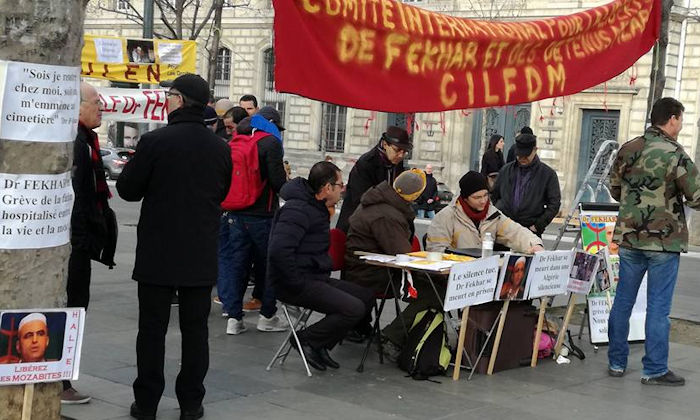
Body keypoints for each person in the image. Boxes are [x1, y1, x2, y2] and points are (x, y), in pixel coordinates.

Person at [116, 73, 232, 420]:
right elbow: (222, 193)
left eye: (169, 96)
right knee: (196, 332)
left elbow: (127, 189)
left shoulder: (156, 142)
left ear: (179, 100)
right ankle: (191, 403)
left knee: (151, 329)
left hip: (158, 251)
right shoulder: (220, 148)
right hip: (199, 252)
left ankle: (147, 402)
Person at [382, 171, 543, 353]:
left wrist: (535, 245)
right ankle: (395, 337)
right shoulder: (445, 217)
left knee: (515, 289)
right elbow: (436, 252)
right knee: (437, 296)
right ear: (465, 198)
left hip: (483, 276)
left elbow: (516, 232)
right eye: (477, 197)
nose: (483, 201)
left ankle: (497, 343)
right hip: (452, 277)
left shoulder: (493, 214)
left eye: (485, 195)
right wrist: (459, 265)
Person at [607, 97, 700, 386]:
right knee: (658, 307)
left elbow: (614, 187)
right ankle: (655, 369)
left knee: (623, 301)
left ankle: (616, 362)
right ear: (672, 119)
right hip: (663, 243)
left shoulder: (629, 148)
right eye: (680, 119)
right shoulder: (676, 154)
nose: (681, 125)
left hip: (630, 239)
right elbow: (697, 195)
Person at [268, 161, 374, 371]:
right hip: (294, 282)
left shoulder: (316, 207)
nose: (343, 189)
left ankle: (321, 344)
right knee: (353, 308)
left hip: (314, 276)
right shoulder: (297, 210)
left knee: (366, 296)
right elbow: (279, 251)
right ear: (327, 188)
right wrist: (296, 282)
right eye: (340, 185)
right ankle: (306, 340)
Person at [63, 82, 118, 405]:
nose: (102, 108)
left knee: (75, 309)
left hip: (77, 242)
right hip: (73, 245)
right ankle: (60, 381)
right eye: (96, 102)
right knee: (71, 309)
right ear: (77, 106)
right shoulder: (76, 143)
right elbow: (78, 199)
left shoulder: (87, 141)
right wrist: (82, 241)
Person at [219, 107, 288, 336]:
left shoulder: (236, 139)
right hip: (263, 216)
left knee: (237, 265)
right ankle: (267, 316)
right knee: (269, 266)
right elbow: (279, 183)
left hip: (236, 214)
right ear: (269, 123)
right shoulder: (270, 143)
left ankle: (234, 318)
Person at [343, 169, 426, 293]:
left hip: (362, 269)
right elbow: (402, 253)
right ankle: (412, 313)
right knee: (432, 286)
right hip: (369, 274)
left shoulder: (378, 201)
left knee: (430, 283)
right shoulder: (387, 216)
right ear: (415, 196)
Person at [336, 126, 412, 232]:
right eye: (397, 150)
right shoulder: (366, 163)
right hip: (357, 225)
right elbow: (362, 199)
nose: (400, 155)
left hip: (383, 223)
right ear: (385, 144)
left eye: (404, 152)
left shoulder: (398, 164)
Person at [492, 133, 561, 237]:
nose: (522, 158)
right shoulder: (505, 170)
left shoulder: (547, 174)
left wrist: (537, 226)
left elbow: (554, 204)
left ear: (535, 150)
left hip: (529, 231)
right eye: (519, 155)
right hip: (503, 229)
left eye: (526, 155)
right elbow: (494, 196)